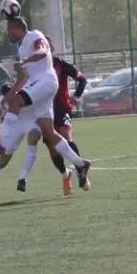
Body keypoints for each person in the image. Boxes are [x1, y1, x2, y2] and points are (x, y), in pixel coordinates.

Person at [0, 16, 92, 190]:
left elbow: (42, 52)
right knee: (50, 134)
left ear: (16, 29)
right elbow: (23, 78)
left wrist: (25, 61)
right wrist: (9, 94)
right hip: (40, 91)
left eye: (9, 30)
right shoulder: (22, 49)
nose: (7, 33)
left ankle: (1, 143)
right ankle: (80, 164)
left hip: (48, 87)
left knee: (18, 102)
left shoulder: (34, 37)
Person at [41, 35, 89, 195]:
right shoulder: (36, 68)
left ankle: (82, 172)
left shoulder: (61, 64)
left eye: (46, 46)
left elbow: (82, 80)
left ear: (52, 49)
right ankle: (65, 173)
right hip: (44, 111)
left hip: (61, 109)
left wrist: (76, 96)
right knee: (53, 148)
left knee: (66, 139)